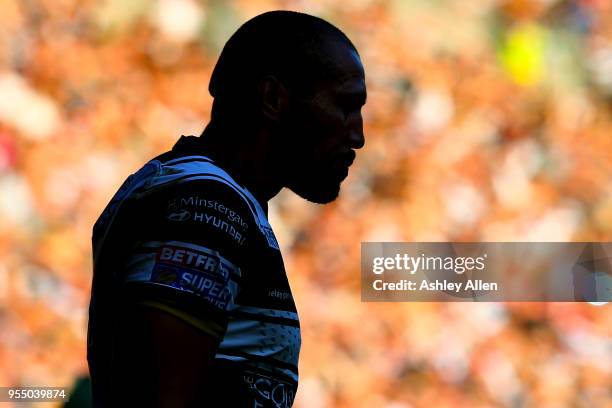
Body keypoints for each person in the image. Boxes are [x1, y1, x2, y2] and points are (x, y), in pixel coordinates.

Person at [87, 10, 366, 407]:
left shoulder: (216, 197)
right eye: (345, 106)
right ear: (273, 99)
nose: (358, 136)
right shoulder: (208, 203)